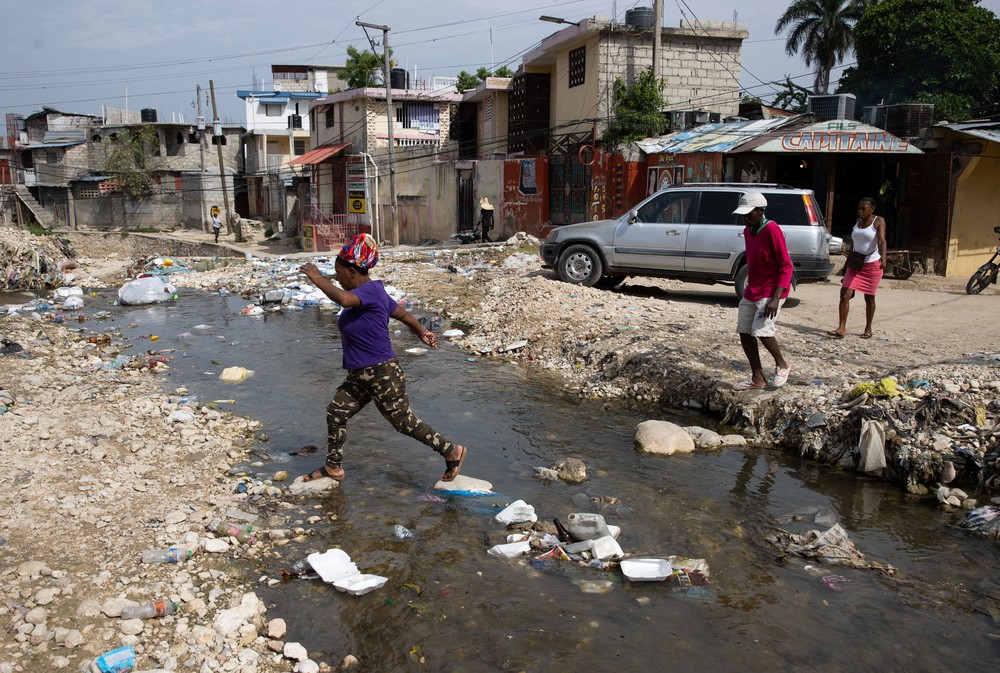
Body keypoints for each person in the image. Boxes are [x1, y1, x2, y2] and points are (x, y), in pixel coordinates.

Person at [298, 233, 469, 483]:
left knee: (403, 421)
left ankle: (452, 451)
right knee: (336, 412)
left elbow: (343, 298)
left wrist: (316, 277)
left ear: (353, 272)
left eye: (339, 273)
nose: (337, 278)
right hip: (359, 375)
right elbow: (400, 312)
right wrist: (421, 331)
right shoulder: (374, 293)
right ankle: (333, 467)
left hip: (382, 374)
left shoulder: (367, 292)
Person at [733, 192, 793, 390]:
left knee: (762, 330)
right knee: (744, 330)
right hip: (753, 289)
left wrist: (775, 298)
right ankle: (757, 377)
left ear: (760, 211)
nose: (746, 218)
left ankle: (782, 364)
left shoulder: (771, 229)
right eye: (743, 215)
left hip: (771, 290)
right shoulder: (748, 231)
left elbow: (786, 266)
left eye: (749, 214)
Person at [827, 197, 887, 339]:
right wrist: (846, 265)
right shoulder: (857, 223)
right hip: (855, 264)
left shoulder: (878, 221)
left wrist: (883, 257)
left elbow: (882, 240)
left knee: (869, 298)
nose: (860, 211)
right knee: (844, 294)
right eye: (859, 208)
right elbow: (853, 245)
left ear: (872, 209)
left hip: (872, 264)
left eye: (864, 208)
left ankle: (868, 328)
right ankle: (841, 328)